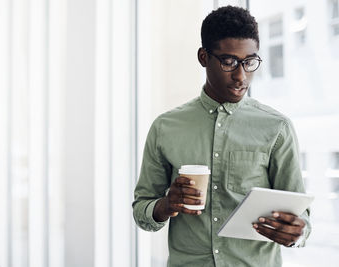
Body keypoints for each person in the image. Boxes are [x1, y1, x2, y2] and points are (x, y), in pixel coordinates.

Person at [132, 5, 311, 267]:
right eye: (229, 62)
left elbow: (301, 217)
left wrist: (297, 232)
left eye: (249, 62)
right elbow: (142, 211)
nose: (241, 76)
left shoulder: (277, 128)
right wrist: (166, 205)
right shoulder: (165, 128)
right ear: (204, 57)